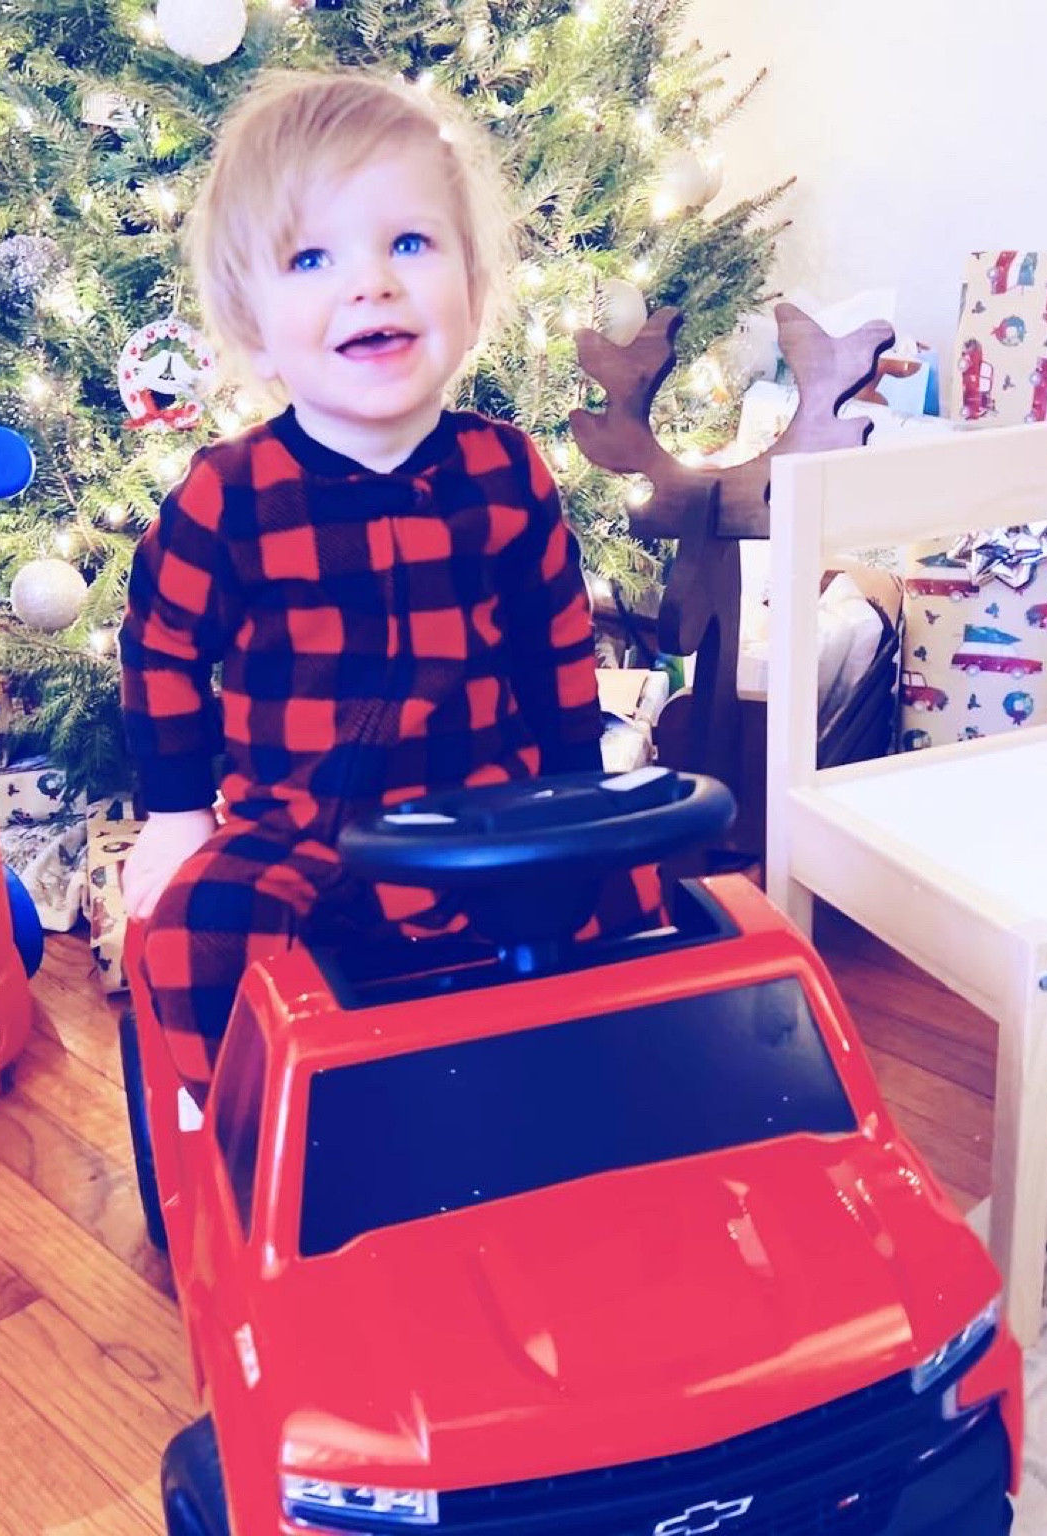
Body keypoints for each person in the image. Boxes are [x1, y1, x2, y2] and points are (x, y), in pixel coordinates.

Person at [117, 70, 658, 1091]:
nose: (369, 284)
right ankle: (272, 1142)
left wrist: (575, 789)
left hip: (491, 805)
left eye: (408, 244)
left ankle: (571, 1101)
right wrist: (179, 812)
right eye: (311, 257)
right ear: (252, 333)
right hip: (302, 828)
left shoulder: (506, 470)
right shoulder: (227, 497)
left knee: (627, 881)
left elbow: (555, 645)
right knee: (200, 933)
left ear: (472, 295)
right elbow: (161, 650)